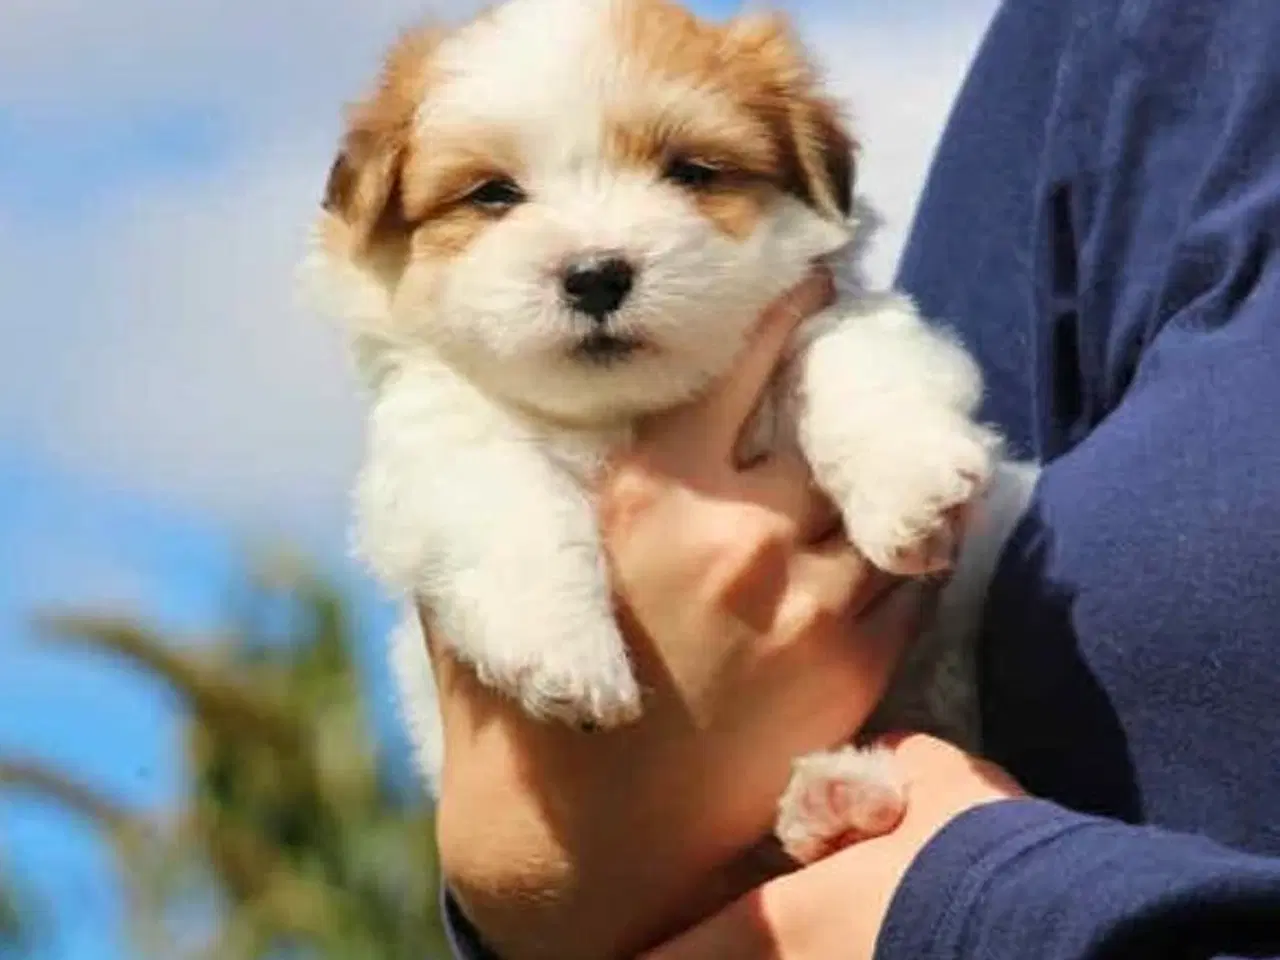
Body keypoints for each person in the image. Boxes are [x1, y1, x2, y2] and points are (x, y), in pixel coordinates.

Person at [430, 0, 1280, 956]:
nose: (593, 247)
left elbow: (917, 427)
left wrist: (950, 909)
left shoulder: (826, 335)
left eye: (691, 173)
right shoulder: (1123, 39)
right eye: (496, 196)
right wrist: (539, 876)